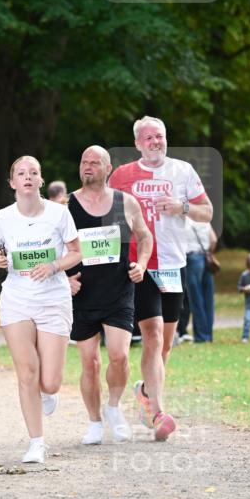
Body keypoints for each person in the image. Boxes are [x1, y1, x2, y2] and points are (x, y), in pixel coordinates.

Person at [108, 117, 213, 441]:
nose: (156, 142)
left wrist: (182, 207)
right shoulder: (122, 175)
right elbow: (105, 216)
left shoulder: (183, 171)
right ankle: (157, 413)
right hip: (138, 265)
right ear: (138, 143)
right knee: (152, 336)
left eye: (160, 136)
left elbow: (207, 212)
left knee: (165, 345)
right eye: (149, 138)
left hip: (172, 264)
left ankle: (145, 392)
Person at [0, 156, 82, 465]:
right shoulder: (2, 218)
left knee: (49, 381)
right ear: (12, 182)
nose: (28, 177)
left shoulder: (59, 214)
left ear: (41, 180)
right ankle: (36, 443)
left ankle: (48, 393)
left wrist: (54, 265)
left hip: (53, 299)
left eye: (33, 172)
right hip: (16, 300)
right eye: (21, 173)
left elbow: (76, 252)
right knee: (27, 372)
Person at [67, 146, 153, 445]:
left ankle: (113, 407)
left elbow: (145, 236)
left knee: (119, 356)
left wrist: (142, 265)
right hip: (82, 294)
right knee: (89, 362)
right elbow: (51, 245)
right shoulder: (66, 205)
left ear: (108, 169)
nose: (87, 166)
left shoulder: (125, 202)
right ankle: (94, 422)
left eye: (94, 162)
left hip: (118, 290)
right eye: (84, 161)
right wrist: (64, 279)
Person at [183, 219, 218, 343]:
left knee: (196, 299)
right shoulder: (204, 220)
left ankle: (201, 336)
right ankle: (208, 334)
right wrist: (209, 252)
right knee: (208, 299)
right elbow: (213, 240)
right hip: (206, 257)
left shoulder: (184, 221)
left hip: (192, 258)